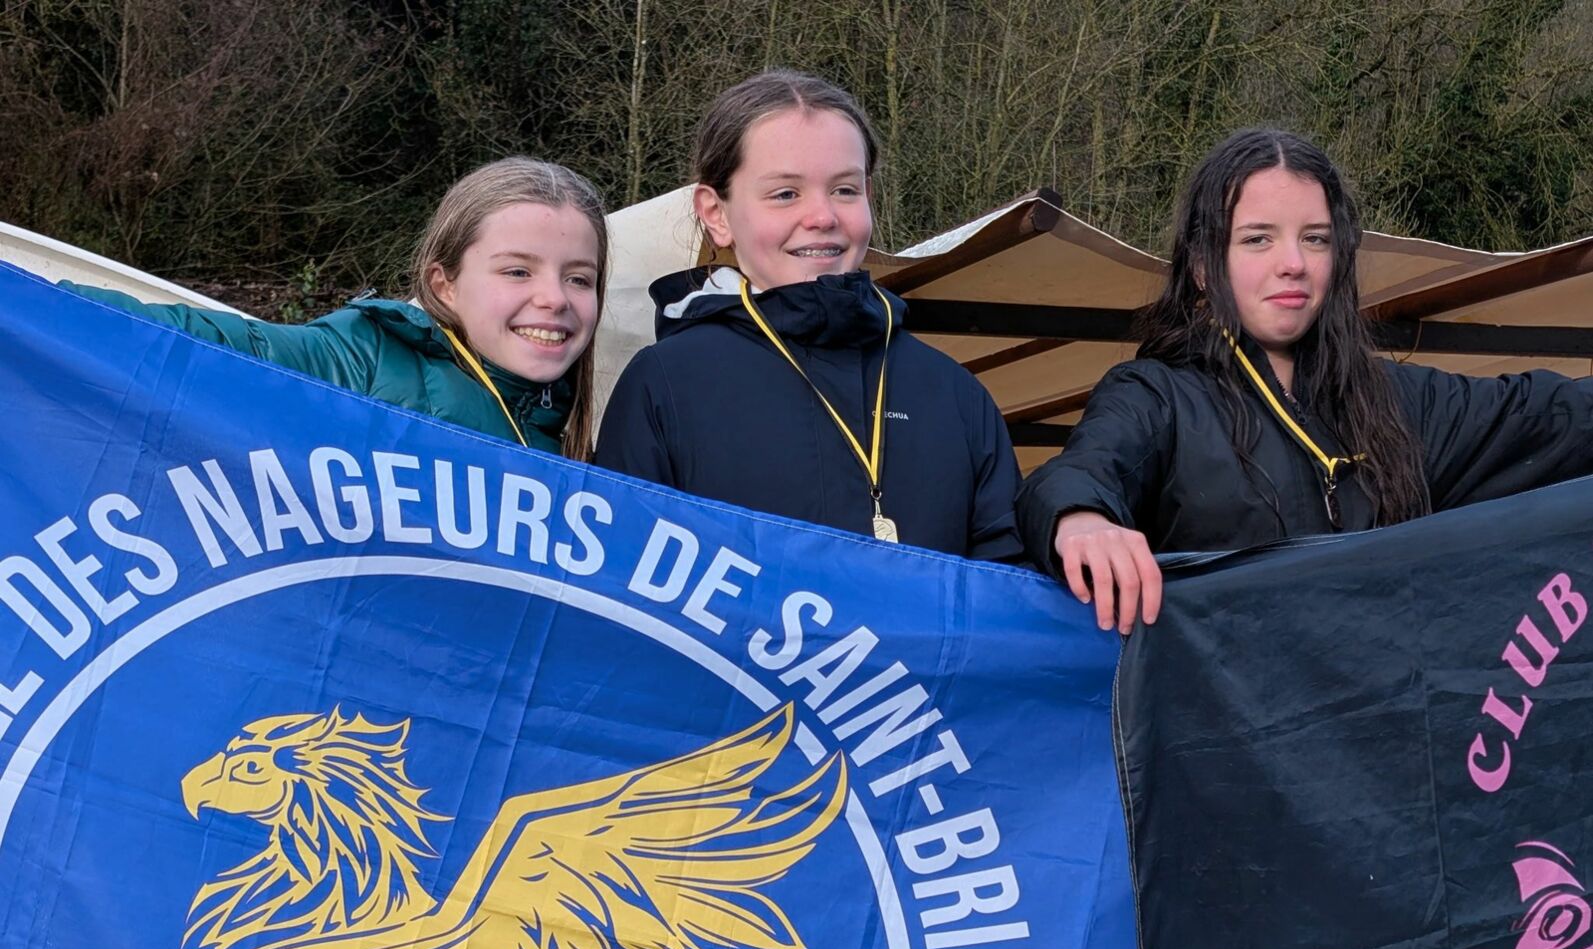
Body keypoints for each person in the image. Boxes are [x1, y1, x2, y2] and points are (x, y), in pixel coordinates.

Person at [1016, 128, 1593, 631]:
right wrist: (1080, 519)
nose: (1293, 263)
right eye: (1257, 238)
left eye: (1315, 238)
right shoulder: (1156, 396)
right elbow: (1076, 474)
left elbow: (1548, 416)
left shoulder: (1394, 402)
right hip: (1226, 720)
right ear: (1203, 266)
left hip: (1381, 717)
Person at [595, 70, 1022, 560]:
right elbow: (621, 576)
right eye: (785, 194)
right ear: (716, 213)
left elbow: (1009, 576)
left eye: (845, 190)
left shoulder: (954, 393)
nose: (823, 217)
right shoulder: (664, 384)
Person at [59, 157, 607, 459]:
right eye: (517, 271)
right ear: (444, 285)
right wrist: (33, 304)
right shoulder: (363, 357)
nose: (555, 298)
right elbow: (204, 344)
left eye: (579, 278)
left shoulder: (577, 430)